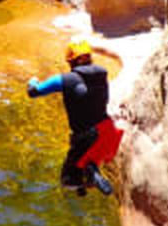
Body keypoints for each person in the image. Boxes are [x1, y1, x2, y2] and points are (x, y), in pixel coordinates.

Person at [27, 36, 122, 196]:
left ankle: (90, 174)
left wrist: (33, 81)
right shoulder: (102, 74)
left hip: (87, 136)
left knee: (67, 180)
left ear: (71, 61)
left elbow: (33, 92)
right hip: (108, 132)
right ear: (89, 58)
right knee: (83, 166)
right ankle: (88, 176)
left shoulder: (64, 80)